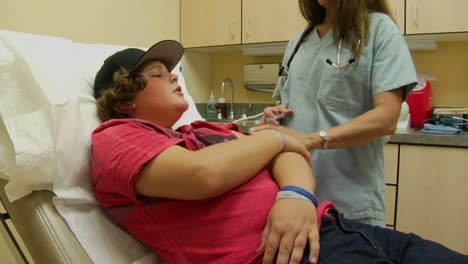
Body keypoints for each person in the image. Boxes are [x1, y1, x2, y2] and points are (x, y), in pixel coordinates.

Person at [90, 41, 468, 264]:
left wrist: (295, 194)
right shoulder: (118, 137)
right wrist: (275, 139)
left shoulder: (202, 130)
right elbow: (203, 175)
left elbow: (290, 154)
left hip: (336, 230)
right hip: (285, 256)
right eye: (158, 74)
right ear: (123, 99)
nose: (175, 76)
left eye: (172, 71)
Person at [250, 0, 418, 227]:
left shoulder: (379, 29)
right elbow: (294, 103)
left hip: (349, 199)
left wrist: (311, 140)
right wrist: (277, 117)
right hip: (297, 197)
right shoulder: (299, 42)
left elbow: (386, 118)